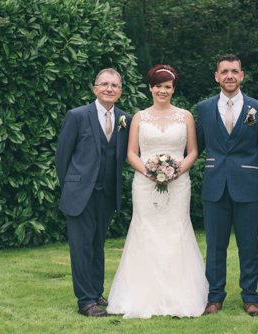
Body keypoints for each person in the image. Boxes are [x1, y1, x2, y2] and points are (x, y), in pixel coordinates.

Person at [107, 64, 208, 318]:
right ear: (150, 87)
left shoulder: (185, 116)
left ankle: (180, 295)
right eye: (158, 86)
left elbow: (193, 151)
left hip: (178, 183)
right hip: (145, 184)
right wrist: (150, 172)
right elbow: (132, 153)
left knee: (176, 232)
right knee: (146, 232)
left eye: (167, 87)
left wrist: (175, 171)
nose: (163, 91)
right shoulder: (139, 117)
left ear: (173, 89)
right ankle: (142, 295)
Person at [196, 54, 258, 317]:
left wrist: (249, 170)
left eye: (234, 71)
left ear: (242, 75)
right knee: (215, 246)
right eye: (224, 71)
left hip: (248, 186)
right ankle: (215, 297)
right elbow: (199, 143)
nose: (229, 75)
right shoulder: (204, 108)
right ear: (217, 76)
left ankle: (250, 297)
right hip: (215, 185)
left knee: (248, 245)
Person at [55, 68, 131, 317]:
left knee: (98, 245)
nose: (110, 89)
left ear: (120, 91)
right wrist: (73, 187)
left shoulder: (124, 119)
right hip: (80, 193)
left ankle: (97, 293)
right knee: (81, 247)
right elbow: (63, 158)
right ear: (94, 88)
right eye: (105, 84)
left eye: (115, 85)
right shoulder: (77, 116)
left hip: (107, 194)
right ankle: (85, 301)